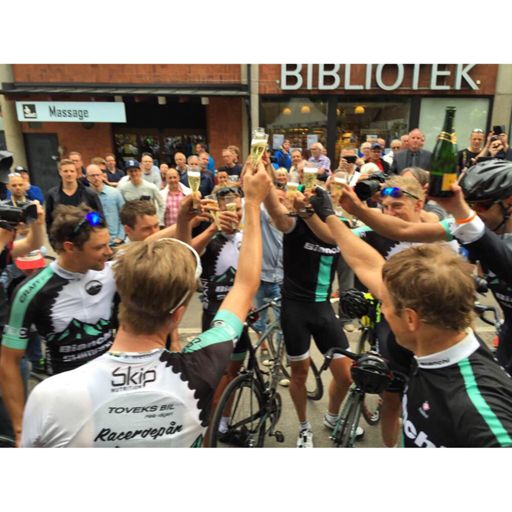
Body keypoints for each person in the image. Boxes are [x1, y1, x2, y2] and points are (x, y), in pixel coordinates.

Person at [20, 159, 271, 448]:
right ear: (178, 314)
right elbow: (245, 285)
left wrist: (182, 222)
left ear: (121, 296)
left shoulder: (50, 395)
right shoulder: (200, 367)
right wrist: (253, 204)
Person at [309, 187, 512, 447]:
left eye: (385, 303)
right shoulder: (434, 344)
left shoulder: (478, 408)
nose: (383, 309)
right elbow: (367, 264)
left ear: (411, 318)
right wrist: (328, 214)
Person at [0, 205, 116, 445]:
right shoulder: (30, 291)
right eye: (99, 247)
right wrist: (20, 428)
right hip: (68, 401)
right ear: (70, 247)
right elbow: (9, 361)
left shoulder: (111, 269)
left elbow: (156, 245)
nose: (108, 252)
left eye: (108, 244)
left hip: (114, 390)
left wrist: (184, 221)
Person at [262, 171, 358, 448]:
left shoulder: (337, 227)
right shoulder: (294, 223)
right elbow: (276, 212)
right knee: (300, 374)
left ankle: (332, 417)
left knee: (346, 375)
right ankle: (304, 427)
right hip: (296, 310)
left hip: (323, 309)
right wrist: (265, 179)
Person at [45, 159, 103, 233]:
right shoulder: (52, 195)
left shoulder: (89, 193)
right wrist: (53, 238)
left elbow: (99, 217)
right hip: (62, 236)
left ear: (76, 173)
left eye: (72, 171)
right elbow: (49, 221)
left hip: (85, 235)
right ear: (60, 172)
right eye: (65, 171)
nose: (69, 174)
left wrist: (90, 225)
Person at [86, 164, 125, 245]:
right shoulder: (85, 196)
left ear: (102, 176)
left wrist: (120, 237)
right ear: (87, 178)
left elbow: (124, 215)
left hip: (115, 240)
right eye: (92, 176)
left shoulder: (114, 193)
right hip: (96, 241)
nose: (96, 178)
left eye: (98, 175)